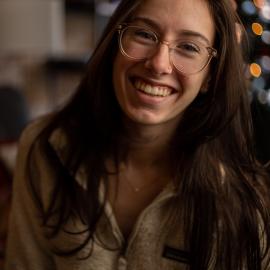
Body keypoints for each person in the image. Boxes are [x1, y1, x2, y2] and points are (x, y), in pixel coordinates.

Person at [4, 0, 270, 269]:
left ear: (210, 76)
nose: (158, 64)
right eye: (144, 34)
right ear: (115, 41)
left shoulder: (245, 205)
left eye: (188, 47)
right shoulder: (45, 148)